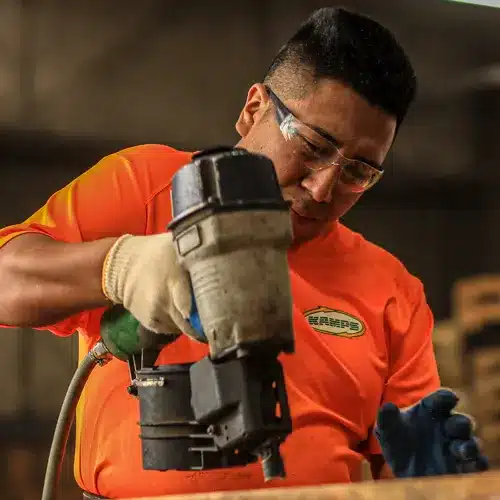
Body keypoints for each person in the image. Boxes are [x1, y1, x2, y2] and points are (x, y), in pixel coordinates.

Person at [0, 7, 486, 500]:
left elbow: (402, 465)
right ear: (254, 109)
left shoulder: (392, 291)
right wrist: (117, 266)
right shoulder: (146, 189)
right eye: (313, 146)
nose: (323, 189)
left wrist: (427, 482)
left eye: (359, 172)